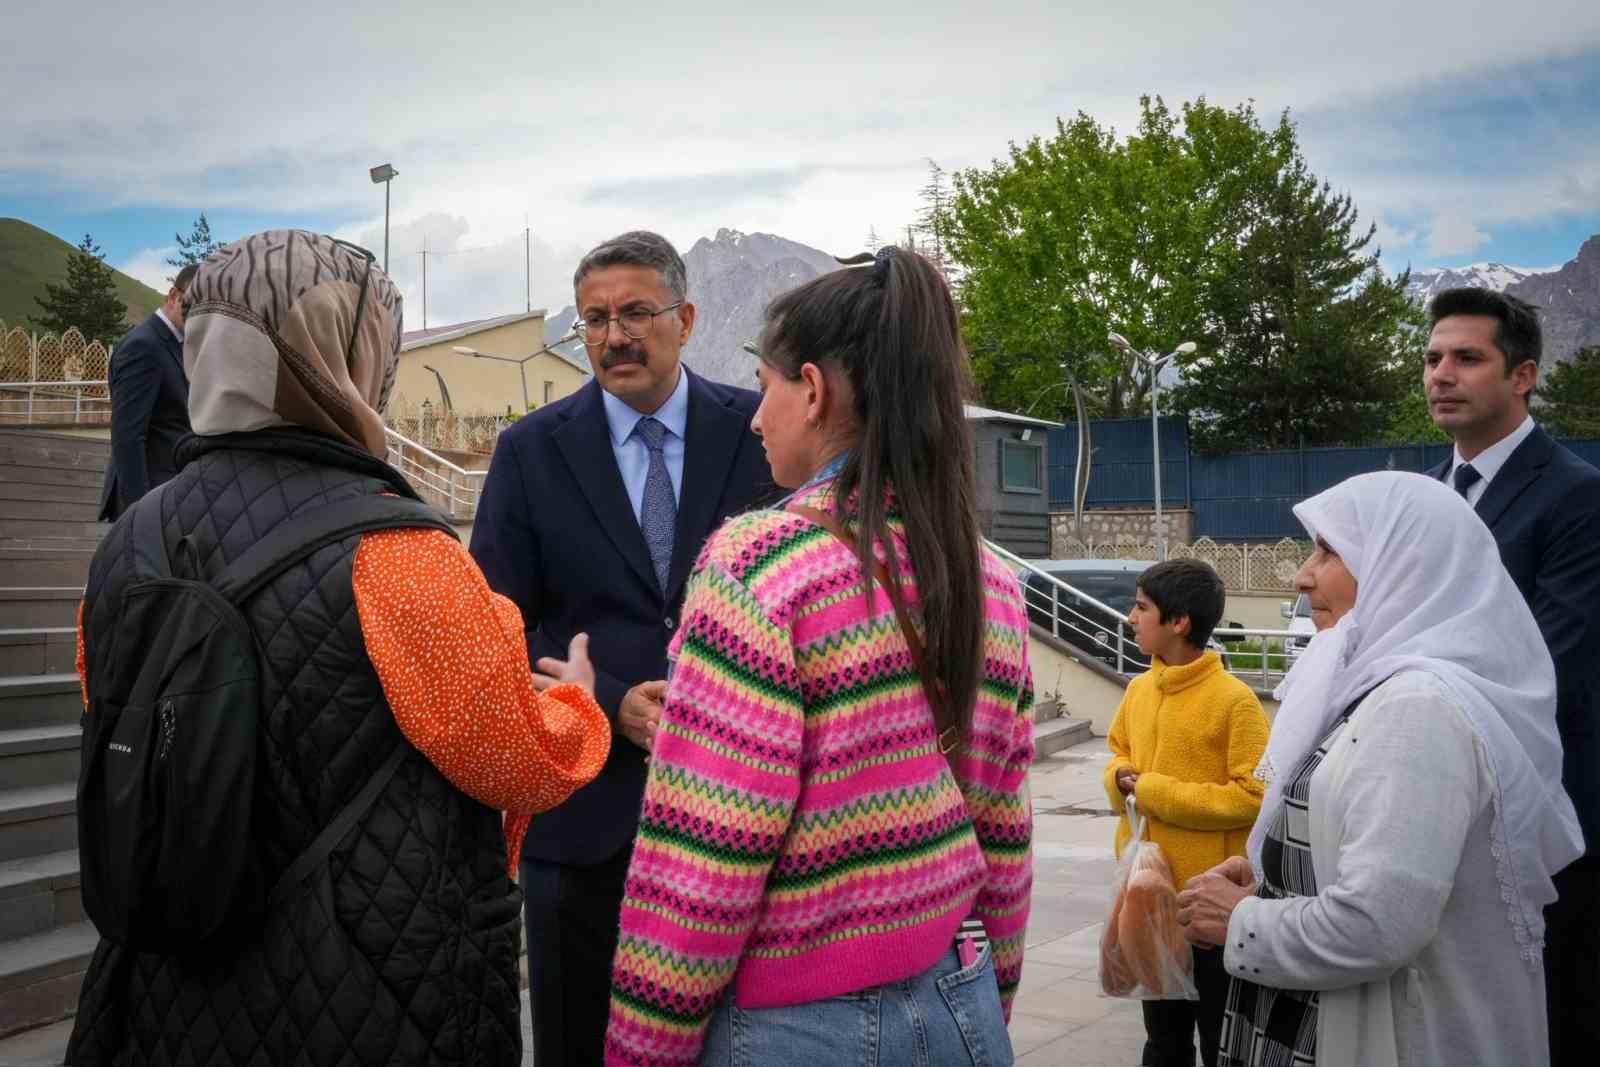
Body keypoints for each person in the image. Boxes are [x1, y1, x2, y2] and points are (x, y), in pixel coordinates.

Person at [65, 230, 611, 1066]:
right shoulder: (399, 552)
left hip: (164, 992)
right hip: (374, 986)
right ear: (342, 356)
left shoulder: (127, 545)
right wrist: (576, 703)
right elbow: (514, 758)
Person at [596, 247, 1036, 1066]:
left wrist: (640, 1051)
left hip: (796, 1029)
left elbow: (704, 859)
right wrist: (986, 1001)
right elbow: (1001, 835)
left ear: (815, 389)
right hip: (959, 1000)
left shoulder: (763, 570)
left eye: (765, 388)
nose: (755, 419)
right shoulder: (987, 579)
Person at [470, 231, 774, 1066]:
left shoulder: (756, 434)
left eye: (637, 312)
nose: (615, 335)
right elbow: (497, 622)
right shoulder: (530, 451)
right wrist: (608, 703)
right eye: (595, 318)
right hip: (583, 824)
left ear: (685, 318)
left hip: (739, 813)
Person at [1175, 471, 1584, 1067]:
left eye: (1330, 550)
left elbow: (1377, 924)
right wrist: (1283, 870)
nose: (1302, 575)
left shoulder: (1420, 712)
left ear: (1402, 565)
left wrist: (1240, 921)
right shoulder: (1380, 691)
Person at [1421, 286, 1600, 1064]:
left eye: (1467, 357)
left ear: (1522, 375)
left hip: (1548, 823)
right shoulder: (1426, 496)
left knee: (1554, 1018)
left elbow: (1549, 664)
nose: (1441, 374)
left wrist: (1413, 707)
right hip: (1443, 810)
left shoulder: (1577, 498)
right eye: (1432, 358)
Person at [1103, 558, 1270, 1067]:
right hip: (1148, 900)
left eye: (1141, 607)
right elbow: (1117, 755)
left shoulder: (1235, 701)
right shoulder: (1138, 689)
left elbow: (1254, 796)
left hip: (1207, 908)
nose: (1131, 616)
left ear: (1178, 622)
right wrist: (1118, 779)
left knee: (1220, 1040)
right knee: (1163, 1040)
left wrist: (1150, 788)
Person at [98, 264, 196, 520]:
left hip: (171, 493)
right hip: (149, 500)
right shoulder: (143, 346)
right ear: (174, 296)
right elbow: (127, 437)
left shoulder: (176, 344)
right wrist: (140, 513)